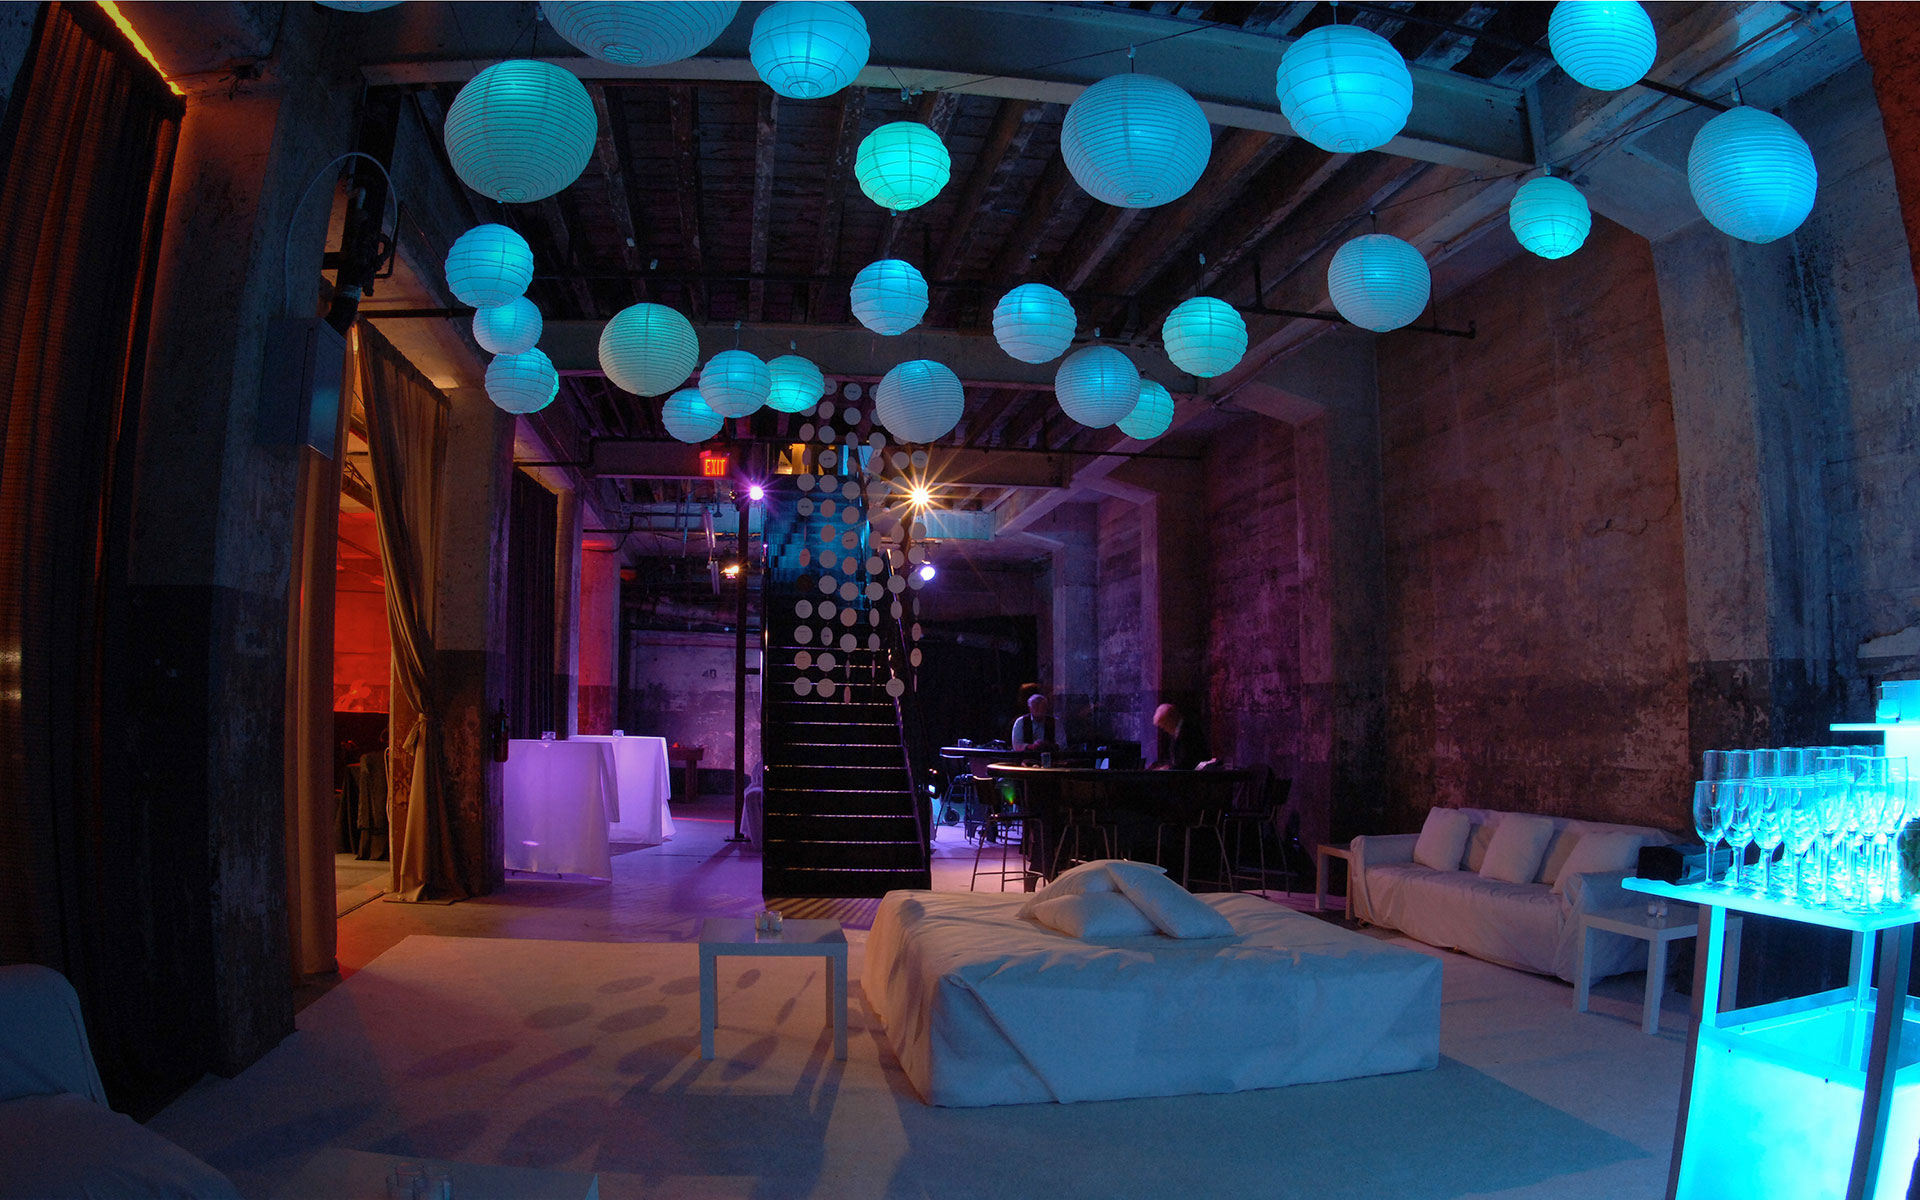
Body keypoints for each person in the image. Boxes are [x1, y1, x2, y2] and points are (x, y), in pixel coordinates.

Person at [1150, 702, 1211, 770]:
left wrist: (1169, 769)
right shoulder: (1176, 732)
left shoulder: (1189, 730)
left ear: (1171, 719)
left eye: (1164, 725)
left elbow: (1188, 760)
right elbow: (1175, 759)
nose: (1165, 730)